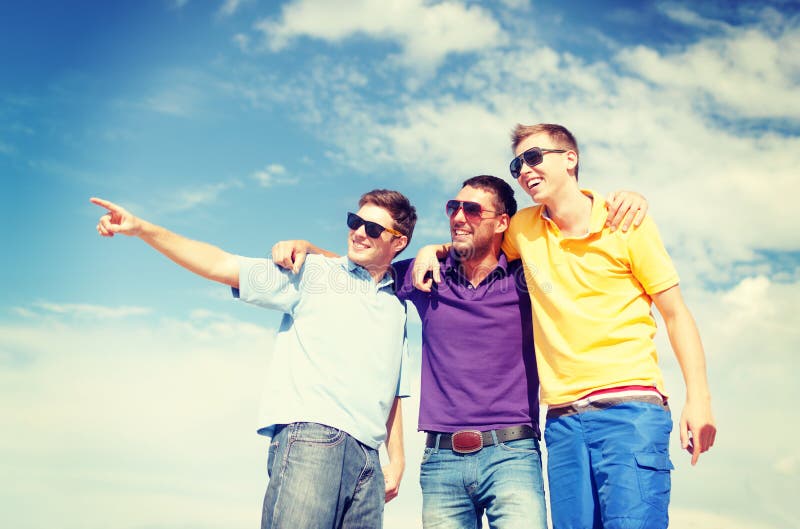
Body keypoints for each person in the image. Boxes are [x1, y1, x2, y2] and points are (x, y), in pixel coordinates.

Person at [271, 177, 648, 529]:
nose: (458, 217)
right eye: (454, 207)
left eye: (472, 210)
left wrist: (626, 200)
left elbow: (576, 245)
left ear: (502, 222)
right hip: (440, 461)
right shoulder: (426, 274)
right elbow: (367, 262)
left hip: (513, 455)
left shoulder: (529, 278)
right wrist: (309, 250)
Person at [416, 123, 717, 529]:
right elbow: (475, 243)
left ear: (570, 159)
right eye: (517, 163)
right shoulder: (523, 228)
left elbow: (676, 314)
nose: (524, 170)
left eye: (534, 157)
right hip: (562, 423)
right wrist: (428, 249)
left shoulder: (626, 222)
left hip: (630, 411)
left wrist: (699, 400)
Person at [90, 189, 417, 529]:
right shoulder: (313, 274)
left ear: (399, 242)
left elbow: (392, 386)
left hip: (369, 460)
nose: (360, 232)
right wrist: (143, 229)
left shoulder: (397, 308)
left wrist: (398, 459)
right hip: (313, 441)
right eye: (355, 221)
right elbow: (221, 264)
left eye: (374, 229)